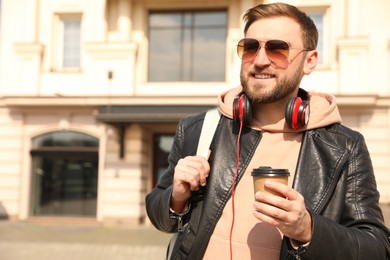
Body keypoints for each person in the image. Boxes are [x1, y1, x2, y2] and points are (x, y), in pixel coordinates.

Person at [145, 2, 390, 259]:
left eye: (277, 49)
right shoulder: (198, 129)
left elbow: (376, 247)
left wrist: (308, 229)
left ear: (309, 61)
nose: (260, 60)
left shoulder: (344, 147)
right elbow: (162, 219)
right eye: (250, 47)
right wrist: (176, 197)